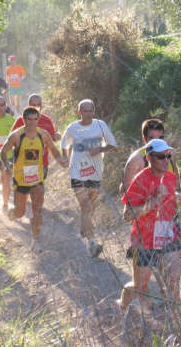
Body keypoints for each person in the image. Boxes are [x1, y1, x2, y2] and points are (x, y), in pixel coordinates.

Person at [118, 139, 181, 316]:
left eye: (168, 156)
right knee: (140, 287)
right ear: (149, 157)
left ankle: (179, 333)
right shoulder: (140, 180)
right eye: (161, 156)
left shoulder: (171, 178)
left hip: (167, 238)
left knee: (173, 285)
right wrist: (153, 202)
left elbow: (173, 203)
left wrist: (179, 200)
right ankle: (123, 305)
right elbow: (127, 216)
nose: (166, 160)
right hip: (144, 241)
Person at [0, 106, 68, 252]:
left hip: (36, 178)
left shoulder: (43, 134)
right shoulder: (16, 135)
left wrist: (61, 161)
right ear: (23, 120)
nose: (31, 122)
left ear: (38, 120)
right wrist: (7, 164)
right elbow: (3, 151)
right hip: (20, 179)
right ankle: (13, 213)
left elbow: (53, 150)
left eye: (35, 119)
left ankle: (35, 240)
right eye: (28, 119)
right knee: (21, 212)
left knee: (37, 210)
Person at [61, 99, 117, 256]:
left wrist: (99, 149)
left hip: (95, 172)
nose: (87, 114)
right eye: (84, 111)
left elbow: (113, 144)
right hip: (77, 172)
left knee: (90, 207)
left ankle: (84, 227)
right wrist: (65, 158)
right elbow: (64, 144)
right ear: (79, 112)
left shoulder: (100, 125)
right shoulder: (73, 128)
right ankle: (92, 243)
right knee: (86, 206)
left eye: (90, 110)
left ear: (94, 111)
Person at [121, 118, 180, 195]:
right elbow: (125, 192)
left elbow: (176, 178)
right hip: (146, 204)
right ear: (144, 139)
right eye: (152, 139)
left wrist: (178, 194)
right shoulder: (136, 160)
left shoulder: (171, 153)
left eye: (160, 138)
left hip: (169, 202)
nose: (157, 142)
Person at [11, 94, 61, 180]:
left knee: (37, 189)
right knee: (28, 189)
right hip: (23, 163)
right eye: (33, 105)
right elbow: (11, 139)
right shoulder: (20, 120)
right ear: (29, 105)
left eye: (38, 105)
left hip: (42, 163)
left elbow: (52, 138)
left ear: (42, 106)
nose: (36, 107)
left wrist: (56, 136)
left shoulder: (47, 120)